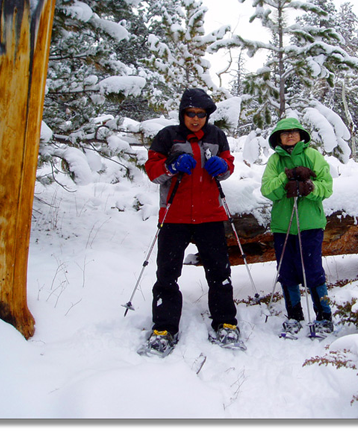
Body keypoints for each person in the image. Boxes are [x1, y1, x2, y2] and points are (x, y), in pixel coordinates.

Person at [143, 88, 240, 356]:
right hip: (175, 215)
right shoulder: (167, 136)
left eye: (201, 114)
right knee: (167, 274)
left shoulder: (217, 136)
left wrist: (223, 167)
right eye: (191, 114)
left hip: (210, 215)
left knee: (219, 273)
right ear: (182, 114)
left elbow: (229, 165)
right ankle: (164, 328)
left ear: (207, 116)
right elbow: (152, 171)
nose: (196, 119)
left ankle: (226, 322)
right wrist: (171, 167)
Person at [260, 117, 334, 338]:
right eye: (285, 133)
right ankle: (294, 316)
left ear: (301, 136)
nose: (290, 136)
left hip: (310, 225)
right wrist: (286, 178)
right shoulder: (275, 161)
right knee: (287, 273)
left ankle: (324, 315)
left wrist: (308, 187)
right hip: (284, 227)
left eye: (294, 132)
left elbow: (327, 187)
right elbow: (267, 190)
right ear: (278, 138)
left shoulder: (313, 156)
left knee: (313, 271)